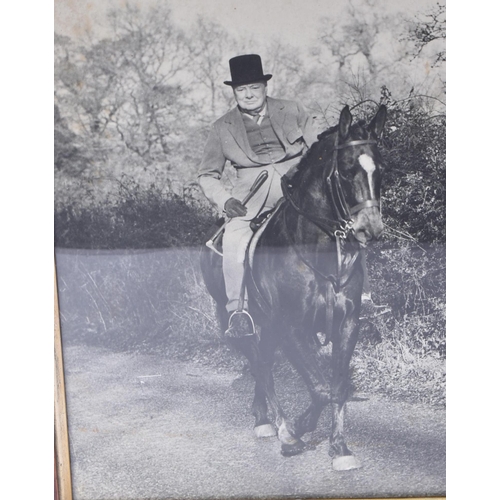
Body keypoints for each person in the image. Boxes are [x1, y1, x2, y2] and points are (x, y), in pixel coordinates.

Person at [198, 54, 318, 337]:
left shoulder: (294, 110)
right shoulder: (221, 127)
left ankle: (363, 299)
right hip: (249, 200)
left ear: (265, 87)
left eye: (254, 87)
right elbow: (206, 174)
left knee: (343, 224)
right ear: (234, 92)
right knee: (234, 241)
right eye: (241, 90)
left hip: (300, 190)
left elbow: (319, 152)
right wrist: (226, 200)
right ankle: (238, 314)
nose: (248, 94)